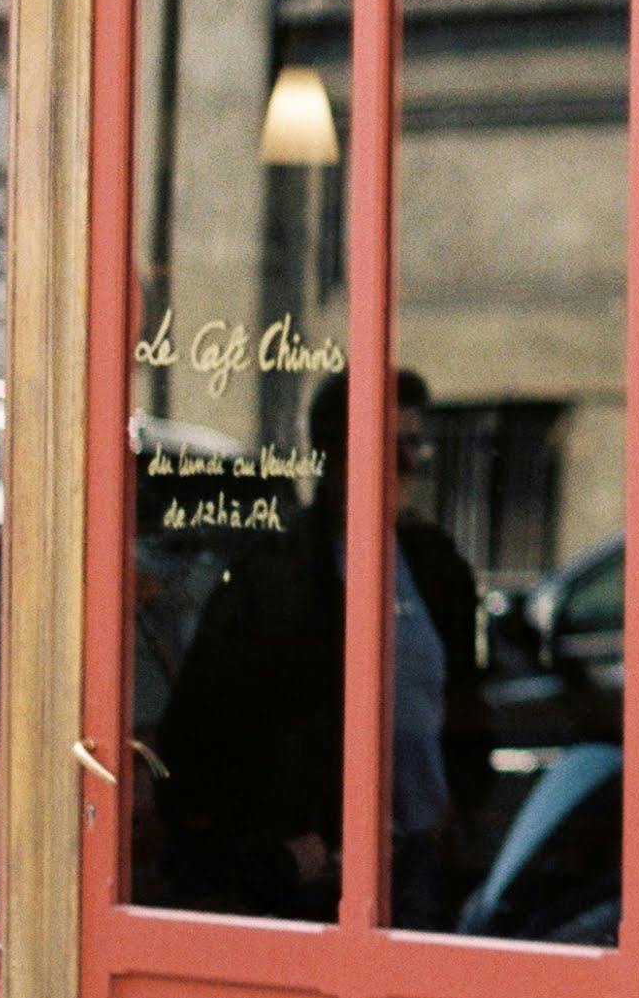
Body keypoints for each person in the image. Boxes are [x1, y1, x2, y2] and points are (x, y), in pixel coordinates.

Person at [151, 372, 490, 922]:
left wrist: (462, 807)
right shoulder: (274, 579)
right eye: (388, 444)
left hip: (420, 865)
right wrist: (277, 847)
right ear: (334, 453)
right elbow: (197, 738)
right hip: (319, 879)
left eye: (415, 445)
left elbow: (466, 701)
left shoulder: (436, 567)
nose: (407, 464)